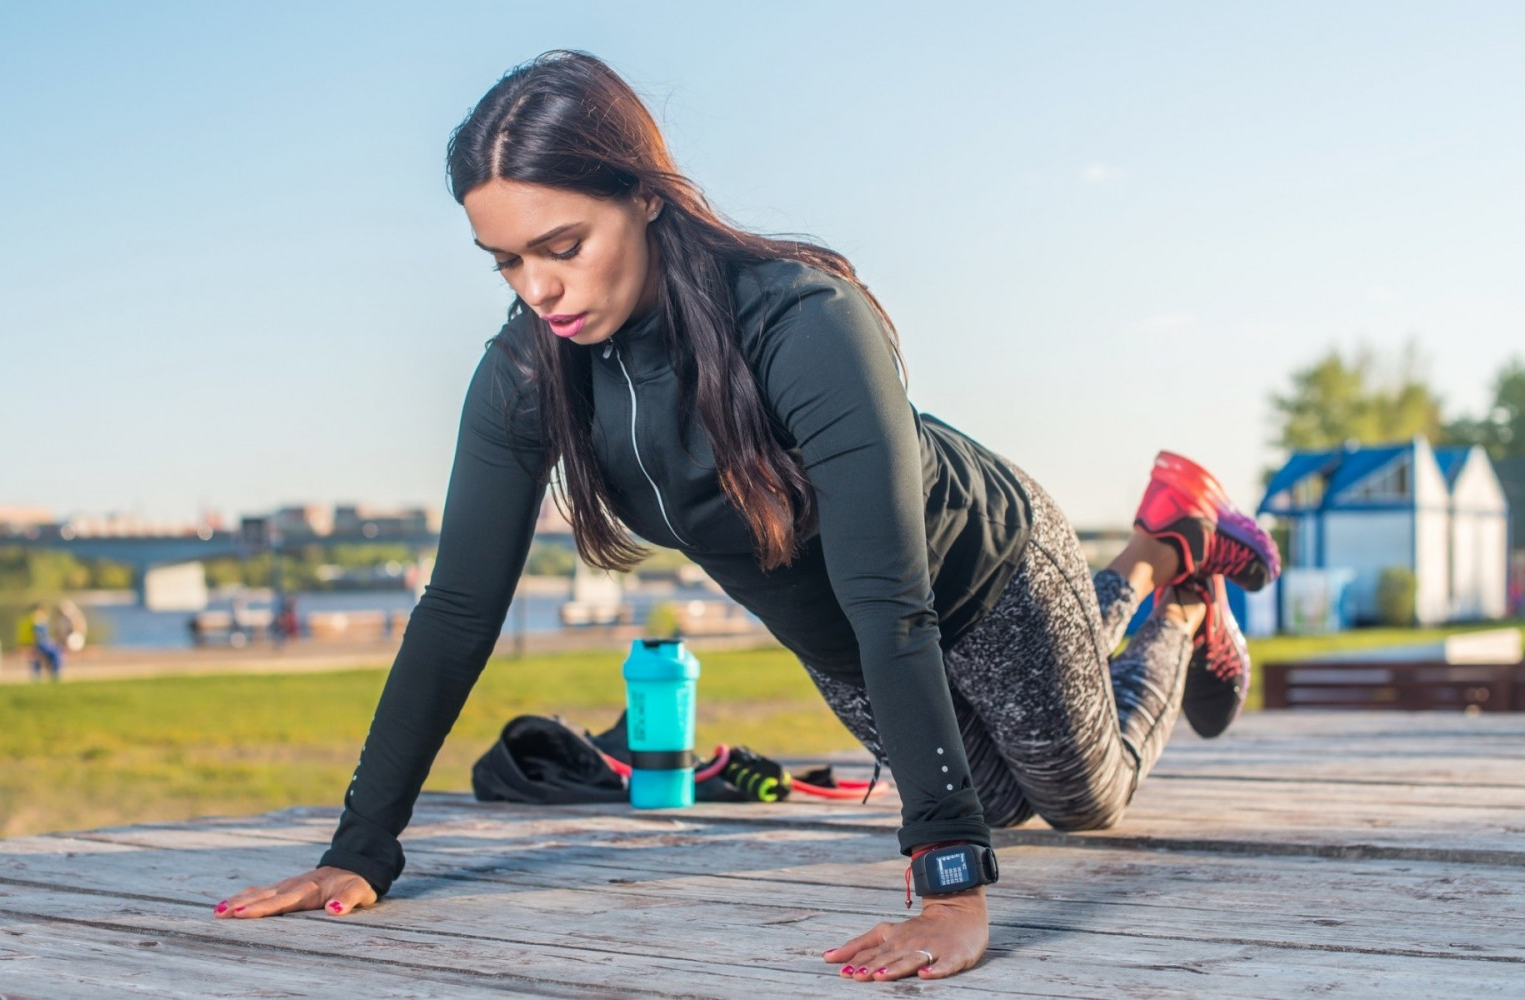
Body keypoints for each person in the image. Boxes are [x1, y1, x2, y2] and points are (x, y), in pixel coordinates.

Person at [213, 51, 1278, 983]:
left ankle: (1169, 573)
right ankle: (1161, 563)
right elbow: (454, 611)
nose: (537, 288)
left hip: (975, 573)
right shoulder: (526, 374)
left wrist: (949, 890)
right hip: (854, 644)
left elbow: (891, 599)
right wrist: (362, 848)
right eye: (506, 261)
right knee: (995, 804)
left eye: (561, 244)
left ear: (643, 194)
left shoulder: (799, 316)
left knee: (1081, 799)